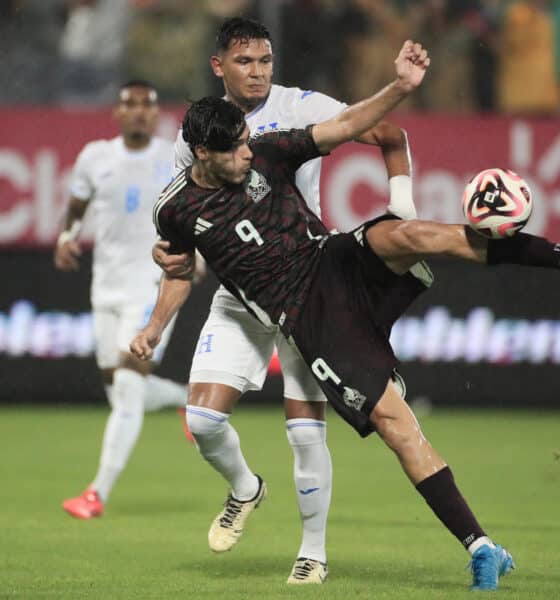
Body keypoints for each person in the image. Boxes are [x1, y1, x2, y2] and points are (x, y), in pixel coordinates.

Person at [129, 41, 553, 591]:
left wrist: (400, 86)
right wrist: (155, 326)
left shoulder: (269, 148)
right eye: (233, 150)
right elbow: (179, 267)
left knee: (418, 234)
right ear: (201, 155)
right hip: (306, 318)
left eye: (244, 141)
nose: (246, 154)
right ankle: (483, 547)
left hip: (333, 259)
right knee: (394, 423)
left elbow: (352, 122)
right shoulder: (175, 208)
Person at [152, 17, 418, 584]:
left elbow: (382, 133)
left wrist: (402, 207)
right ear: (218, 65)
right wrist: (176, 261)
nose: (259, 72)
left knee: (304, 430)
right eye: (245, 62)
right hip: (242, 291)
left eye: (266, 61)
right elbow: (196, 224)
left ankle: (313, 551)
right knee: (201, 420)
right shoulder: (195, 132)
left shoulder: (300, 107)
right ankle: (246, 488)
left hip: (307, 285)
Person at [54, 80, 188, 519]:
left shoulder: (173, 158)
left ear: (156, 113)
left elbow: (196, 212)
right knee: (117, 387)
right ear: (117, 112)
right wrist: (67, 236)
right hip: (105, 288)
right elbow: (76, 207)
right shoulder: (96, 157)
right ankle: (186, 397)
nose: (138, 113)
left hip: (151, 287)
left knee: (128, 388)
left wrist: (197, 254)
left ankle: (96, 493)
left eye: (147, 106)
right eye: (130, 105)